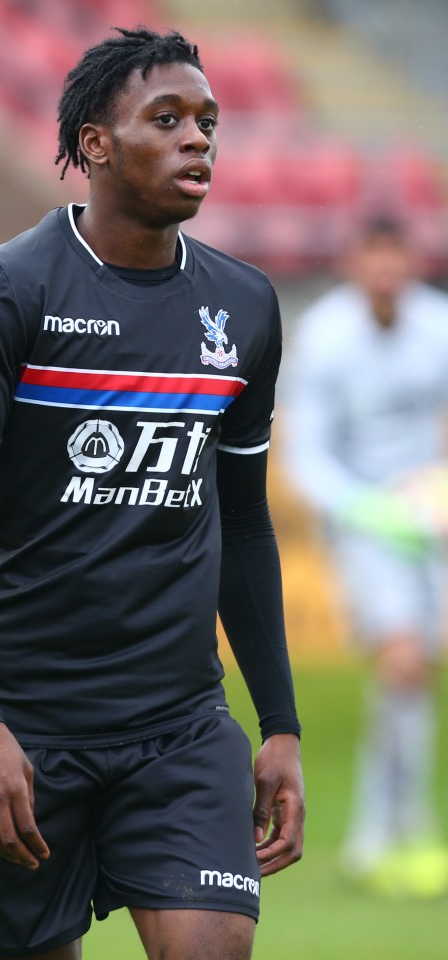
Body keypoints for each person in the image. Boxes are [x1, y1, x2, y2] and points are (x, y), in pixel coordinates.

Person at [0, 27, 304, 960]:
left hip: (178, 727)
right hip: (25, 729)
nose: (197, 139)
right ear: (93, 143)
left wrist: (279, 722)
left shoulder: (243, 309)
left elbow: (243, 522)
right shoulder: (10, 291)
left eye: (207, 122)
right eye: (165, 120)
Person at [283, 215, 448, 897]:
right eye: (372, 258)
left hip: (430, 517)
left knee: (413, 674)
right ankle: (399, 834)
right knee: (403, 655)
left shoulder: (437, 325)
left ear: (410, 261)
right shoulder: (324, 336)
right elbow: (306, 457)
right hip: (363, 519)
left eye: (396, 258)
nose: (385, 272)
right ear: (353, 263)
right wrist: (371, 510)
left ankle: (381, 833)